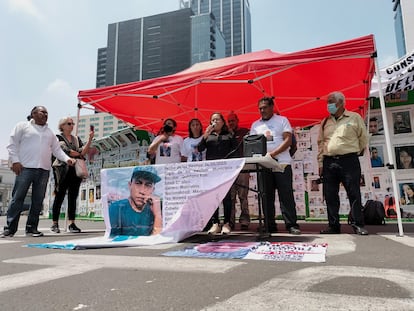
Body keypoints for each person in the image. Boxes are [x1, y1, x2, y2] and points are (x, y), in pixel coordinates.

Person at [1, 106, 76, 238]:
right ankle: (10, 228)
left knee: (37, 200)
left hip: (43, 170)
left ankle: (31, 228)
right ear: (34, 114)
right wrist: (15, 161)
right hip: (25, 168)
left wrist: (67, 159)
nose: (45, 115)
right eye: (42, 112)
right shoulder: (22, 126)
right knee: (17, 198)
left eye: (47, 113)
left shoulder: (50, 133)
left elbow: (57, 150)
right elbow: (12, 144)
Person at [317, 91, 368, 235]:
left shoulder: (354, 117)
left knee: (353, 193)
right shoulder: (325, 121)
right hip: (329, 162)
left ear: (341, 103)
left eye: (331, 102)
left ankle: (358, 224)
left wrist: (357, 151)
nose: (329, 105)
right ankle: (333, 225)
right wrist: (320, 163)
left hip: (349, 160)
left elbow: (363, 138)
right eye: (328, 102)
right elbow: (321, 143)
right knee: (330, 195)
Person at [250, 97, 301, 235]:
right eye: (260, 108)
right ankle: (269, 224)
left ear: (272, 107)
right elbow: (252, 144)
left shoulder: (282, 120)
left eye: (265, 107)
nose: (262, 110)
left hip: (281, 162)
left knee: (286, 195)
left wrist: (273, 154)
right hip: (264, 165)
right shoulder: (255, 125)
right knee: (266, 196)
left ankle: (291, 225)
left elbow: (288, 140)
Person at [50, 117, 94, 234]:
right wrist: (77, 153)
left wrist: (90, 140)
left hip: (75, 170)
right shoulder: (58, 137)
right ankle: (55, 223)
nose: (72, 125)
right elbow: (66, 151)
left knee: (73, 197)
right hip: (62, 169)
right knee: (59, 195)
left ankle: (72, 223)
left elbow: (83, 152)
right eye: (69, 123)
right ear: (62, 125)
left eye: (72, 123)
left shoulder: (76, 138)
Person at [197, 112, 238, 235]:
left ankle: (226, 223)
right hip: (212, 171)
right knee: (213, 197)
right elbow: (199, 149)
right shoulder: (208, 136)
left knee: (226, 197)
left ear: (222, 122)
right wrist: (205, 134)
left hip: (225, 170)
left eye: (217, 119)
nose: (215, 122)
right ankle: (215, 223)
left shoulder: (229, 134)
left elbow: (235, 150)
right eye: (212, 120)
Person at [108, 166, 162, 236]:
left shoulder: (156, 209)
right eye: (138, 183)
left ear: (153, 190)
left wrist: (157, 215)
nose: (142, 191)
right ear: (130, 185)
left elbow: (158, 242)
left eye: (148, 185)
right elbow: (113, 242)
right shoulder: (116, 208)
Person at [227, 112, 251, 230]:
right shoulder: (226, 134)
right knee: (231, 197)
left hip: (243, 168)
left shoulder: (245, 132)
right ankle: (230, 221)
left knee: (243, 196)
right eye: (229, 121)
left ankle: (245, 220)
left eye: (233, 120)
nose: (231, 123)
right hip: (230, 170)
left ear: (237, 120)